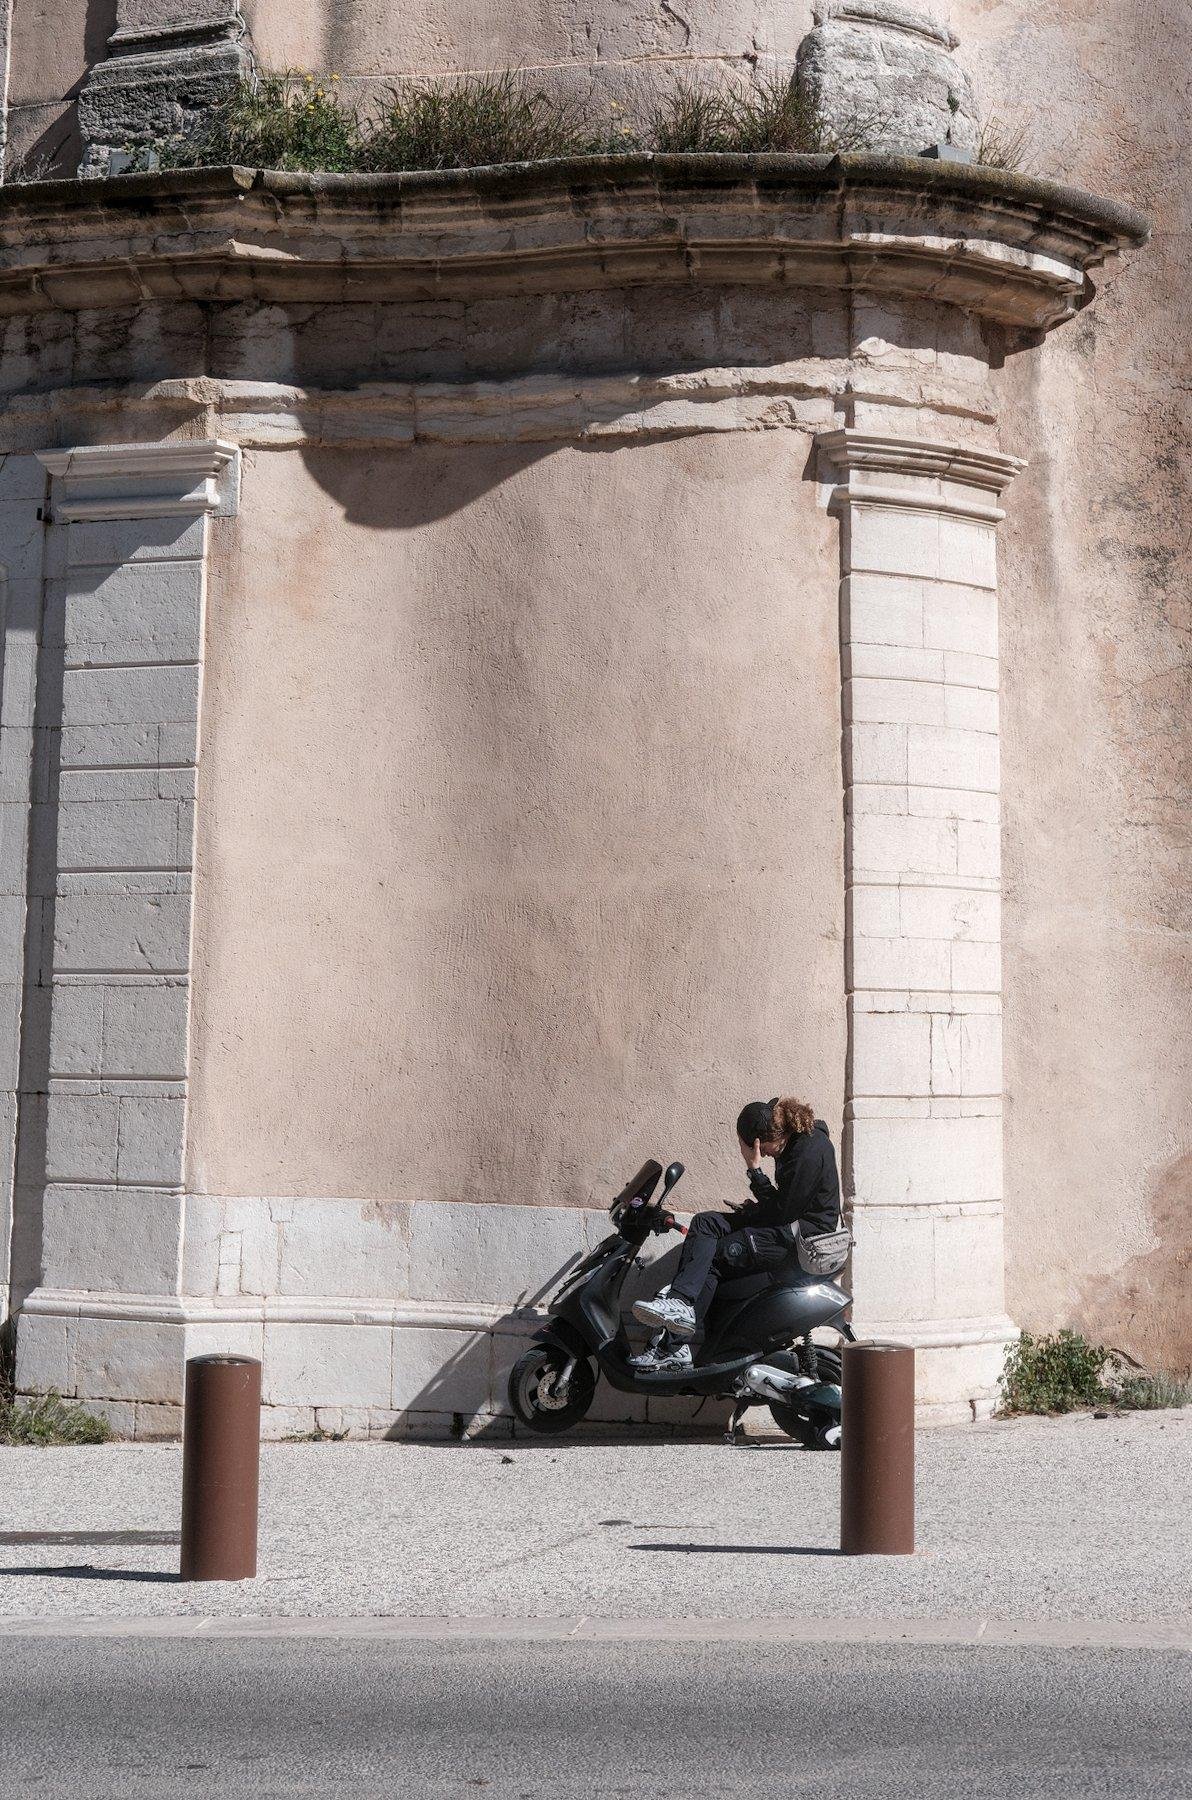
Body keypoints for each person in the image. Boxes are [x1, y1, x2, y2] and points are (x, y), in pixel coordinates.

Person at [628, 1096, 841, 1373]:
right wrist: (753, 1208)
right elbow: (783, 1206)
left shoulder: (806, 1152)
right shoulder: (792, 1145)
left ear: (759, 1140)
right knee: (705, 1223)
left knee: (716, 1257)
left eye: (760, 1150)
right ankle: (680, 1302)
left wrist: (754, 1170)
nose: (763, 1155)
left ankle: (674, 1346)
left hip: (801, 1242)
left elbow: (783, 1213)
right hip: (785, 1228)